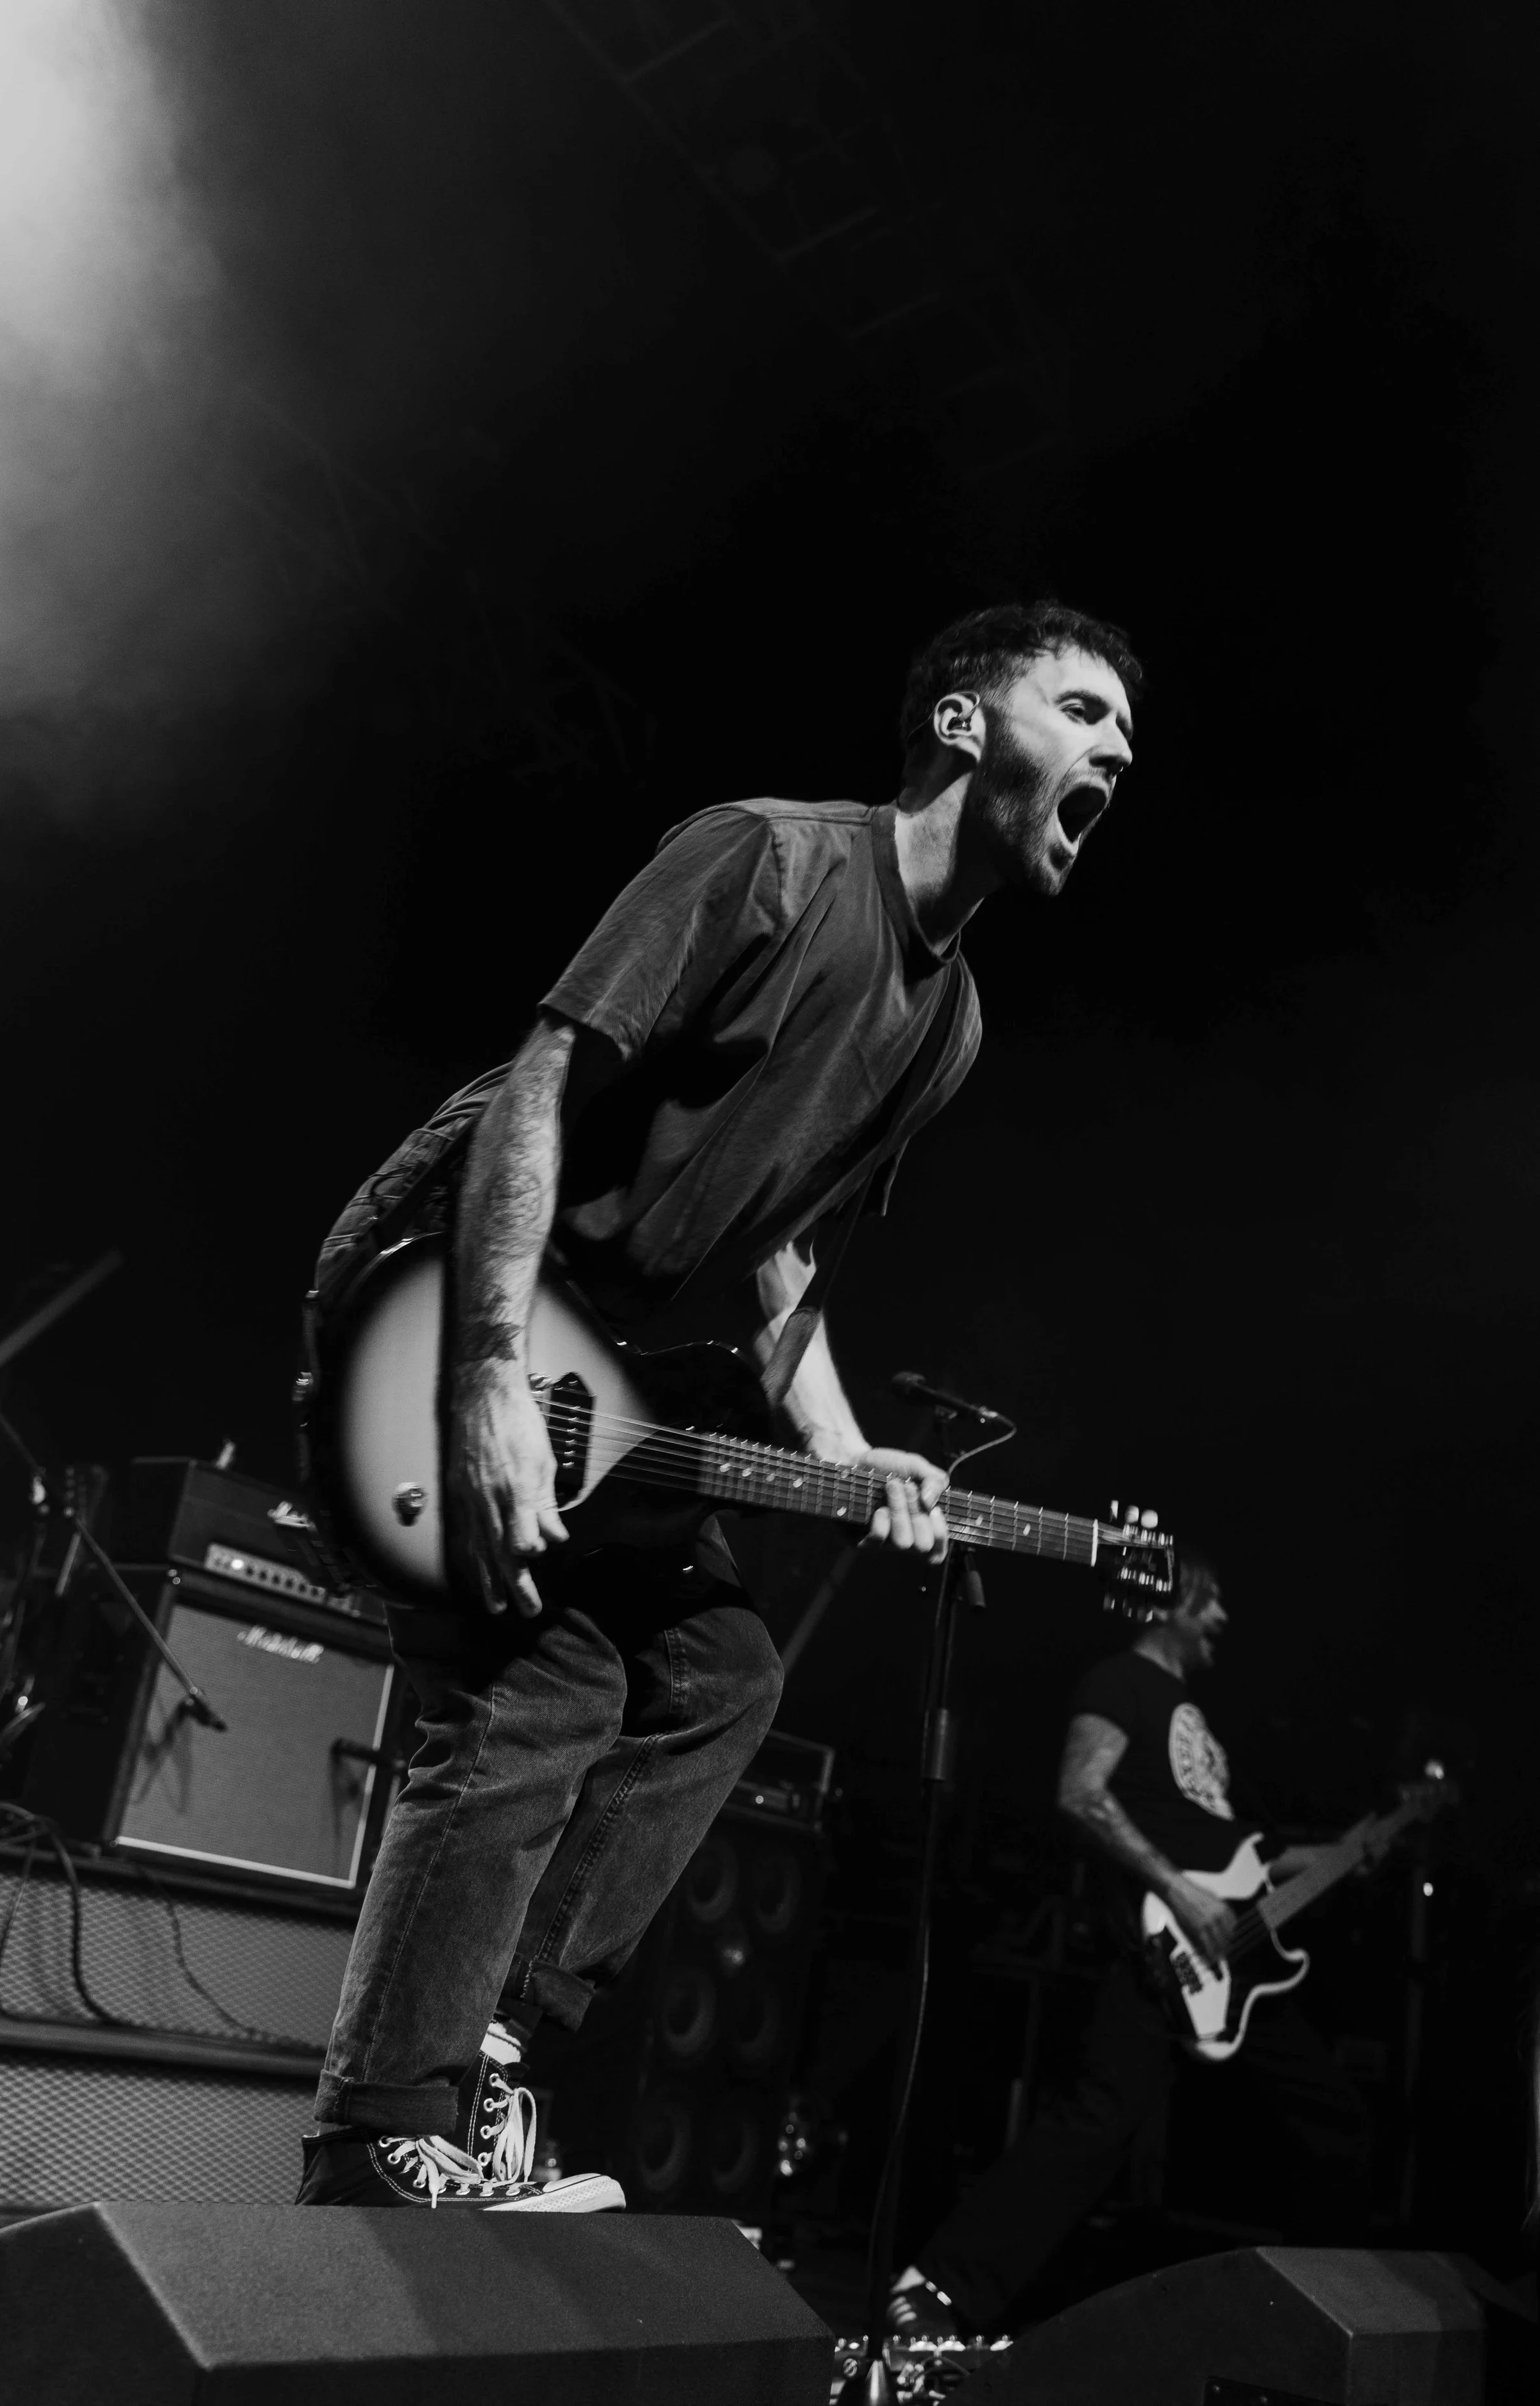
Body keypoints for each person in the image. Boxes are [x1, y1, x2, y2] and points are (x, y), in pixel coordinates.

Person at [295, 599, 1142, 2210]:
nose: (1120, 748)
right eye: (1085, 707)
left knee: (721, 1674)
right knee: (536, 1686)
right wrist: (482, 1368)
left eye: (1125, 731)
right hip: (447, 1271)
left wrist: (838, 1443)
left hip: (600, 1360)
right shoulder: (766, 860)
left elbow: (789, 1244)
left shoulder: (947, 1024)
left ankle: (486, 2049)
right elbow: (545, 1076)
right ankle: (373, 2132)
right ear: (964, 723)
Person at [890, 1556, 1373, 2337]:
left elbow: (1254, 1850)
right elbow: (1081, 1793)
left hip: (1239, 1958)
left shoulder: (1195, 1717)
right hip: (1161, 1942)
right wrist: (1181, 1891)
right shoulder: (1118, 1681)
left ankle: (1336, 2324)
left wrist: (1362, 1847)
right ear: (1172, 1604)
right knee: (1098, 2123)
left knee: (1336, 2122)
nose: (1221, 1621)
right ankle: (934, 2294)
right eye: (1212, 1603)